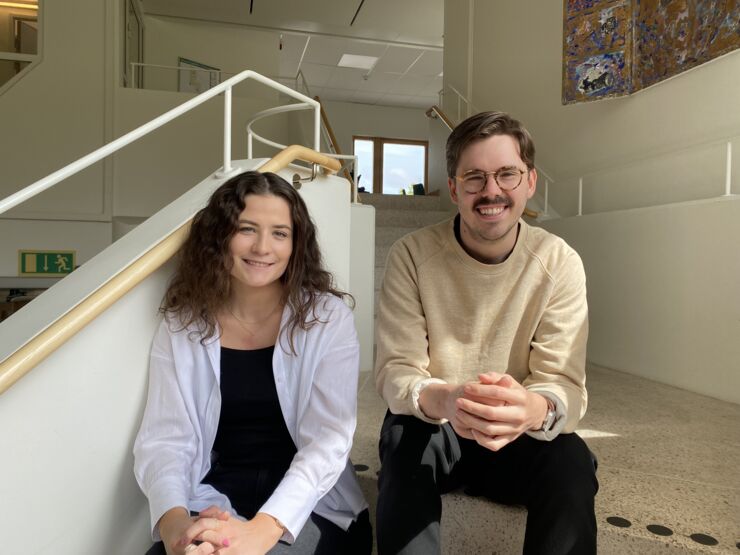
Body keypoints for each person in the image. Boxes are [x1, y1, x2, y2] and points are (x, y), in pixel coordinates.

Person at [374, 112, 598, 554]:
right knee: (403, 445)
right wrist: (448, 398)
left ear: (530, 181)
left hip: (522, 435)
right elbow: (397, 370)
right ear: (454, 188)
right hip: (438, 424)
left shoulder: (558, 262)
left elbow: (565, 385)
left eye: (507, 175)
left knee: (572, 463)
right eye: (474, 178)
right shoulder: (412, 255)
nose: (491, 191)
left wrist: (531, 408)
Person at [134, 171, 372, 555]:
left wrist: (262, 531)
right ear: (220, 237)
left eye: (280, 233)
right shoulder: (183, 322)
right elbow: (165, 439)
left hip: (309, 505)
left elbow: (328, 443)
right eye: (247, 229)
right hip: (213, 494)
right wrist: (176, 524)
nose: (263, 247)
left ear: (296, 244)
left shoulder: (328, 319)